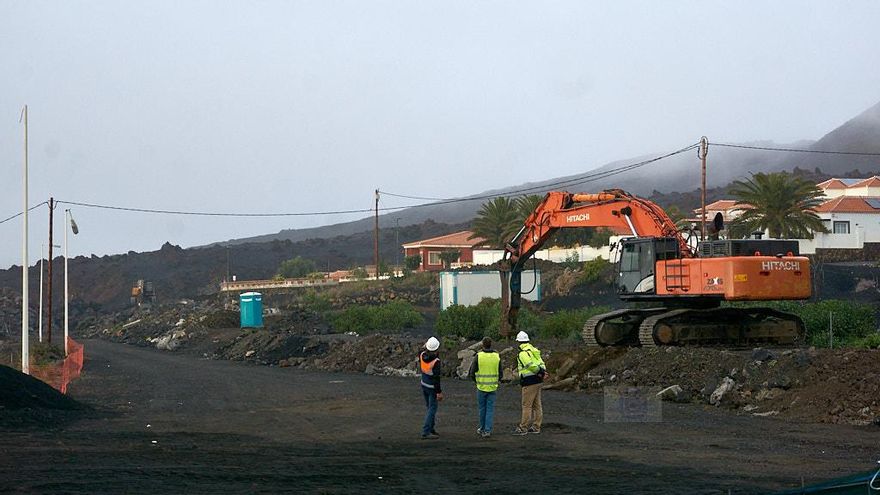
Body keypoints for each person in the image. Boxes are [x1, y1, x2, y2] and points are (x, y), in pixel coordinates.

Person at [513, 331, 547, 435]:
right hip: (538, 381)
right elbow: (542, 364)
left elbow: (529, 366)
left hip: (529, 382)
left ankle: (523, 428)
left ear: (519, 342)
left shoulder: (522, 354)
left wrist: (539, 372)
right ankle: (536, 427)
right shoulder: (534, 350)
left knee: (527, 405)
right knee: (537, 405)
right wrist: (542, 372)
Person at [468, 337, 502, 438]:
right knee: (490, 409)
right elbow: (501, 373)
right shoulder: (496, 356)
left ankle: (482, 428)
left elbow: (472, 372)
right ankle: (487, 430)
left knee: (482, 409)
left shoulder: (479, 356)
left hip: (481, 386)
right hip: (492, 386)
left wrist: (476, 381)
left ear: (482, 344)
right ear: (491, 344)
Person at [419, 336, 443, 439]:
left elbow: (421, 349)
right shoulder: (436, 362)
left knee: (429, 407)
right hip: (432, 387)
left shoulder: (422, 355)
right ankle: (426, 431)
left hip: (424, 384)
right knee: (432, 409)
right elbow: (436, 378)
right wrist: (439, 392)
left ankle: (431, 428)